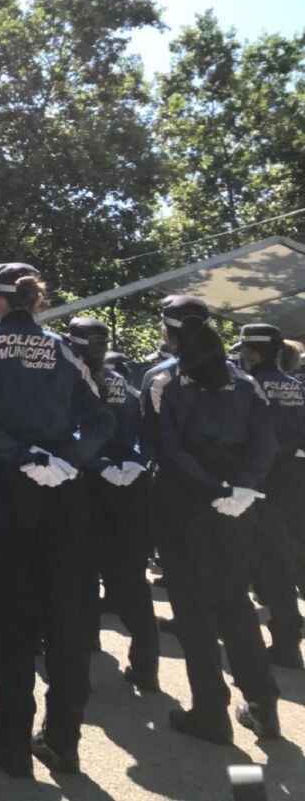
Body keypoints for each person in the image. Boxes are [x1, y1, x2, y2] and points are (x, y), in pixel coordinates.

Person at [0, 263, 114, 777]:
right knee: (67, 617)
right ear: (36, 302)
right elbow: (101, 416)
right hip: (64, 493)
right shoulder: (66, 349)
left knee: (10, 620)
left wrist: (23, 455)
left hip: (6, 492)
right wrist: (69, 457)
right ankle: (64, 742)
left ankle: (11, 742)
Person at [147, 315, 282, 743]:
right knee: (235, 603)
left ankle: (210, 711)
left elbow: (164, 448)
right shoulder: (245, 383)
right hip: (236, 509)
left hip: (185, 506)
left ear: (172, 336)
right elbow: (266, 443)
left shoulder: (162, 382)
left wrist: (213, 486)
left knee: (194, 611)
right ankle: (262, 703)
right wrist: (242, 487)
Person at [66, 318, 160, 691]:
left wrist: (99, 465)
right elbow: (143, 433)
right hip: (130, 486)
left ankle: (88, 639)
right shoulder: (125, 385)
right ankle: (145, 664)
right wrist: (133, 463)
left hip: (87, 483)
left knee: (82, 569)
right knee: (131, 577)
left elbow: (72, 433)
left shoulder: (69, 381)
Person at [234, 324, 304, 670]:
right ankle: (289, 635)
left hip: (259, 480)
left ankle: (284, 642)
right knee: (287, 555)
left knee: (260, 561)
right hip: (295, 479)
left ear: (251, 352)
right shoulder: (297, 386)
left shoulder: (247, 387)